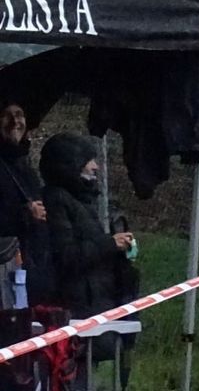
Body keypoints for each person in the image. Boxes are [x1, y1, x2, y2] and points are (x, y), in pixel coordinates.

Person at [38, 134, 137, 322]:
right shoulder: (56, 200)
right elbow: (66, 255)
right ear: (71, 164)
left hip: (96, 301)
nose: (95, 167)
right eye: (88, 161)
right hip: (79, 306)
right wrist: (110, 244)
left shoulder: (81, 200)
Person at [0, 100, 50, 309]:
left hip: (29, 266)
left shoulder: (23, 165)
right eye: (6, 115)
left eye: (19, 114)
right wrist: (25, 214)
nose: (15, 121)